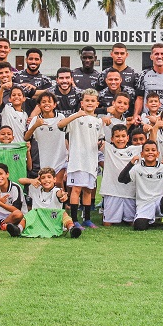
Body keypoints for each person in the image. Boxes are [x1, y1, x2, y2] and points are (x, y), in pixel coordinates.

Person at [59, 89, 104, 228]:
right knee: (76, 190)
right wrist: (77, 114)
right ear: (82, 103)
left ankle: (87, 219)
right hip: (77, 161)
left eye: (92, 101)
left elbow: (100, 139)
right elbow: (60, 125)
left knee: (88, 190)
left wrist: (100, 144)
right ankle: (74, 220)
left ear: (97, 103)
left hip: (91, 161)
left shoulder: (98, 121)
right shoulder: (75, 118)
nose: (90, 103)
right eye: (87, 100)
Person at [118, 140, 163, 232]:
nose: (150, 152)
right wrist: (131, 163)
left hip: (160, 202)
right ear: (142, 154)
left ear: (158, 154)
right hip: (144, 204)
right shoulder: (137, 168)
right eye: (147, 150)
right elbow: (122, 179)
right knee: (139, 226)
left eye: (153, 150)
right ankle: (152, 220)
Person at [15, 167, 83, 238]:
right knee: (31, 213)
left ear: (54, 179)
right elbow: (20, 180)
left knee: (62, 213)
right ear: (39, 180)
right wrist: (31, 180)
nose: (46, 180)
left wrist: (63, 194)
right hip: (38, 221)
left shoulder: (56, 190)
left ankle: (72, 229)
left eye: (49, 177)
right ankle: (18, 229)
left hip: (52, 219)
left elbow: (60, 193)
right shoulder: (35, 189)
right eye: (43, 178)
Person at [25, 92, 68, 186]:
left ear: (54, 105)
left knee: (58, 182)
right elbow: (26, 137)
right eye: (43, 102)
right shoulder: (36, 119)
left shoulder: (60, 117)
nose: (47, 104)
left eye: (49, 101)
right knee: (47, 184)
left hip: (60, 156)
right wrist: (35, 126)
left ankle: (62, 200)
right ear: (39, 105)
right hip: (45, 158)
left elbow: (66, 136)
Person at [100, 125, 139, 226]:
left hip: (129, 192)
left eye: (123, 136)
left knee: (132, 222)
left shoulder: (135, 149)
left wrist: (153, 128)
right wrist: (102, 122)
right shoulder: (107, 148)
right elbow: (95, 138)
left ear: (127, 138)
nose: (120, 139)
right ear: (112, 139)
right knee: (107, 223)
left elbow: (151, 144)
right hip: (112, 191)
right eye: (117, 136)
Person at [135, 43, 163, 119]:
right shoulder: (143, 75)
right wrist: (136, 114)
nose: (159, 56)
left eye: (162, 54)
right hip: (149, 118)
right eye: (156, 54)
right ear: (151, 57)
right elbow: (140, 98)